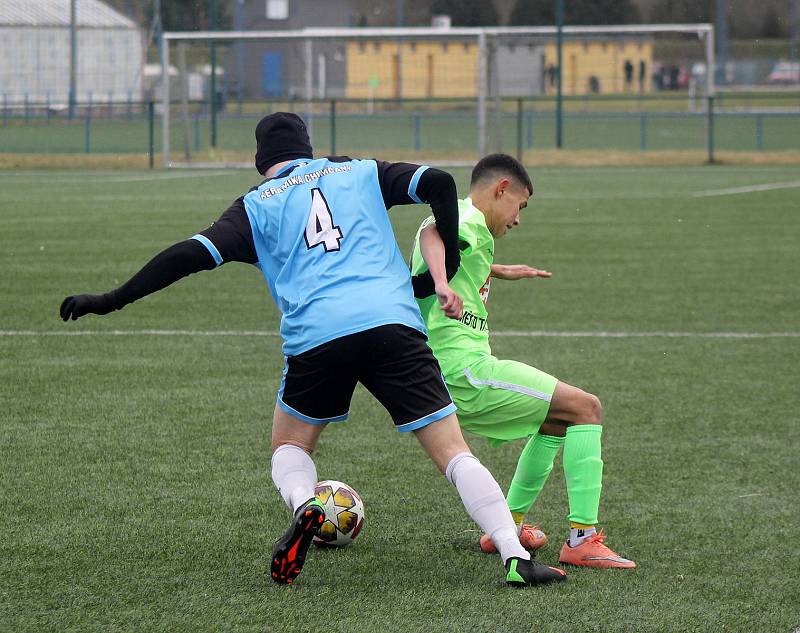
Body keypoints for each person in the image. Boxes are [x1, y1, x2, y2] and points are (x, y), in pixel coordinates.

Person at [59, 113, 566, 587]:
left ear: (263, 162)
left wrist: (111, 299)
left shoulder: (254, 206)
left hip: (317, 337)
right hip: (392, 325)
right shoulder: (357, 171)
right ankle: (513, 556)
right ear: (307, 148)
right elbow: (438, 182)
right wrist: (446, 261)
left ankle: (306, 504)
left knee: (291, 446)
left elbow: (187, 255)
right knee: (453, 451)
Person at [409, 153, 636, 569]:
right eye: (520, 205)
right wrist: (442, 284)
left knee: (555, 421)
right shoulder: (467, 217)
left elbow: (450, 247)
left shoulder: (468, 224)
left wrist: (492, 270)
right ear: (501, 190)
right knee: (586, 408)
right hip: (463, 370)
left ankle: (506, 529)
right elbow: (432, 236)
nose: (517, 218)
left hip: (446, 370)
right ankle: (581, 540)